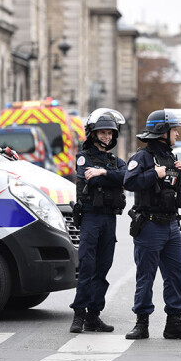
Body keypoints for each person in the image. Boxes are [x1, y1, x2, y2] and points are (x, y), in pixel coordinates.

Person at [123, 109, 181, 340]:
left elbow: (175, 191)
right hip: (150, 225)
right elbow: (129, 182)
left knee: (176, 275)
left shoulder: (171, 157)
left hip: (172, 226)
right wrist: (153, 175)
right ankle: (141, 323)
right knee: (146, 276)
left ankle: (174, 323)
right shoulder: (142, 158)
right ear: (162, 132)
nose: (177, 133)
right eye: (174, 129)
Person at [70, 108, 127, 333]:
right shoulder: (84, 157)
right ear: (93, 134)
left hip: (109, 218)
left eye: (110, 133)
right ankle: (78, 315)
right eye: (102, 133)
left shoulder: (116, 160)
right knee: (86, 266)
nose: (106, 137)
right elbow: (88, 178)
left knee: (102, 268)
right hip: (91, 217)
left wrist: (103, 174)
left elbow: (127, 178)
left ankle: (93, 316)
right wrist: (110, 177)